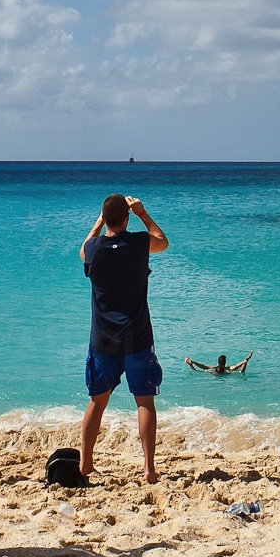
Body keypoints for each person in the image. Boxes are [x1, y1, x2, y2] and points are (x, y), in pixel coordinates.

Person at [80, 194, 169, 483]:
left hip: (103, 339)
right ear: (127, 218)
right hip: (137, 337)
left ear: (105, 219)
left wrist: (99, 221)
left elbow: (83, 249)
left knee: (97, 402)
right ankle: (149, 469)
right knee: (144, 403)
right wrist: (143, 213)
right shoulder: (139, 243)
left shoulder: (94, 249)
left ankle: (86, 464)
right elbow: (162, 240)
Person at [185, 352, 252, 375]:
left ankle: (190, 364)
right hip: (225, 373)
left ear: (218, 362)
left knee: (197, 371)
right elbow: (237, 366)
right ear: (225, 362)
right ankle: (246, 362)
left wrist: (193, 362)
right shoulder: (228, 368)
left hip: (214, 373)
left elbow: (203, 366)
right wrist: (245, 361)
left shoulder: (214, 368)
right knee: (241, 372)